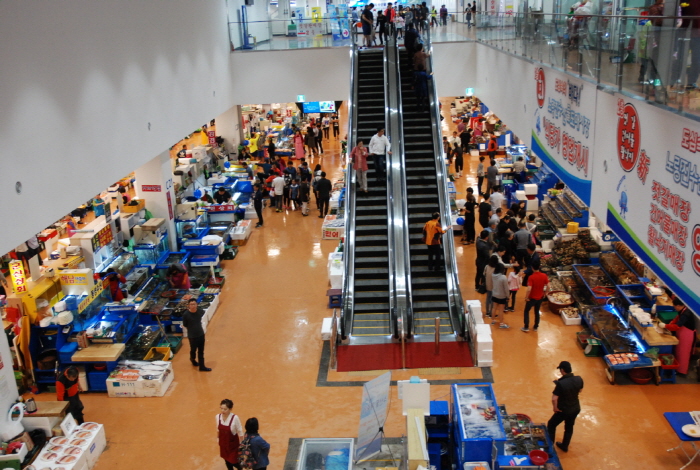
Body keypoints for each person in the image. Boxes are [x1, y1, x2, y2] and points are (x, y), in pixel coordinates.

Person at [547, 361, 584, 453]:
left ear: (562, 370)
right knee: (569, 427)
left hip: (563, 410)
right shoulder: (579, 379)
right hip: (575, 408)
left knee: (551, 424)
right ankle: (564, 446)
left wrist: (555, 408)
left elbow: (554, 399)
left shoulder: (561, 383)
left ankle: (550, 448)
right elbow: (580, 390)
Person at [659, 298, 697, 375]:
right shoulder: (683, 309)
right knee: (678, 351)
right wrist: (671, 323)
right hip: (682, 333)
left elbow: (677, 326)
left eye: (675, 306)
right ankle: (676, 368)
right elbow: (677, 318)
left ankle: (682, 371)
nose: (674, 307)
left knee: (683, 353)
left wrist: (665, 326)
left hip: (687, 335)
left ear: (679, 306)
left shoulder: (686, 314)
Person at [521, 260, 549, 332]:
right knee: (537, 311)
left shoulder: (531, 277)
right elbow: (548, 285)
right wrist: (545, 293)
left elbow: (529, 289)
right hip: (540, 297)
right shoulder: (544, 275)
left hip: (531, 298)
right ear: (539, 267)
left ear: (532, 268)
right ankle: (536, 326)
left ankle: (526, 327)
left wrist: (526, 297)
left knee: (526, 311)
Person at [183, 299, 211, 371]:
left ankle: (202, 367)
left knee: (201, 351)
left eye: (194, 304)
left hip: (201, 334)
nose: (193, 306)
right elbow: (185, 324)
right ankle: (192, 359)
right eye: (191, 304)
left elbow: (202, 314)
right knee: (193, 350)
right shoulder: (186, 314)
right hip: (192, 336)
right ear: (188, 305)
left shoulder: (200, 311)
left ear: (197, 304)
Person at [217, 399, 243, 470]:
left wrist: (242, 445)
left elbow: (240, 432)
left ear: (230, 409)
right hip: (223, 445)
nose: (222, 411)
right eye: (221, 408)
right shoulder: (218, 417)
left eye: (225, 409)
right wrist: (218, 439)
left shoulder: (235, 418)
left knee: (234, 462)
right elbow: (218, 430)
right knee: (227, 461)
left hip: (233, 446)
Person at [491, 263, 510, 328]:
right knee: (501, 310)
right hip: (502, 296)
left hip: (494, 294)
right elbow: (506, 288)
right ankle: (501, 323)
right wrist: (508, 296)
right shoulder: (503, 277)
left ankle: (493, 320)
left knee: (494, 308)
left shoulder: (493, 275)